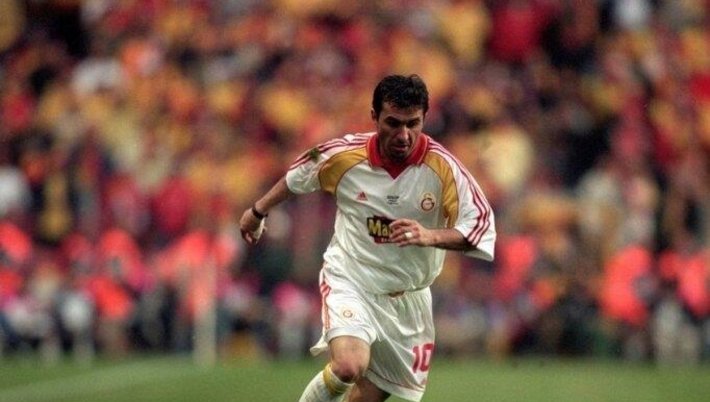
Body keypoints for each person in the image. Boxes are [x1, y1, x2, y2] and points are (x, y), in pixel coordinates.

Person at [239, 74, 496, 402]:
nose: (403, 135)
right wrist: (257, 211)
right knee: (349, 365)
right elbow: (298, 175)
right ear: (374, 116)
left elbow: (479, 228)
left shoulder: (444, 168)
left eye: (413, 124)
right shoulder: (344, 155)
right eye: (393, 123)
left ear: (424, 119)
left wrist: (429, 235)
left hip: (408, 299)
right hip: (353, 280)